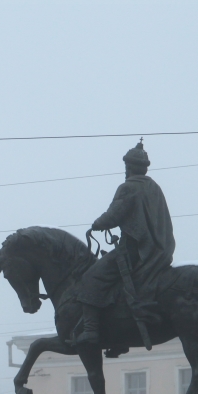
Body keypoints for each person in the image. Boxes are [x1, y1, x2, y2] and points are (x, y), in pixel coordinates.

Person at [75, 140, 175, 346]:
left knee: (92, 277)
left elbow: (114, 214)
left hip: (135, 250)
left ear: (128, 167)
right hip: (158, 249)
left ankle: (91, 330)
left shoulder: (128, 187)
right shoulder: (154, 187)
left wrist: (97, 224)